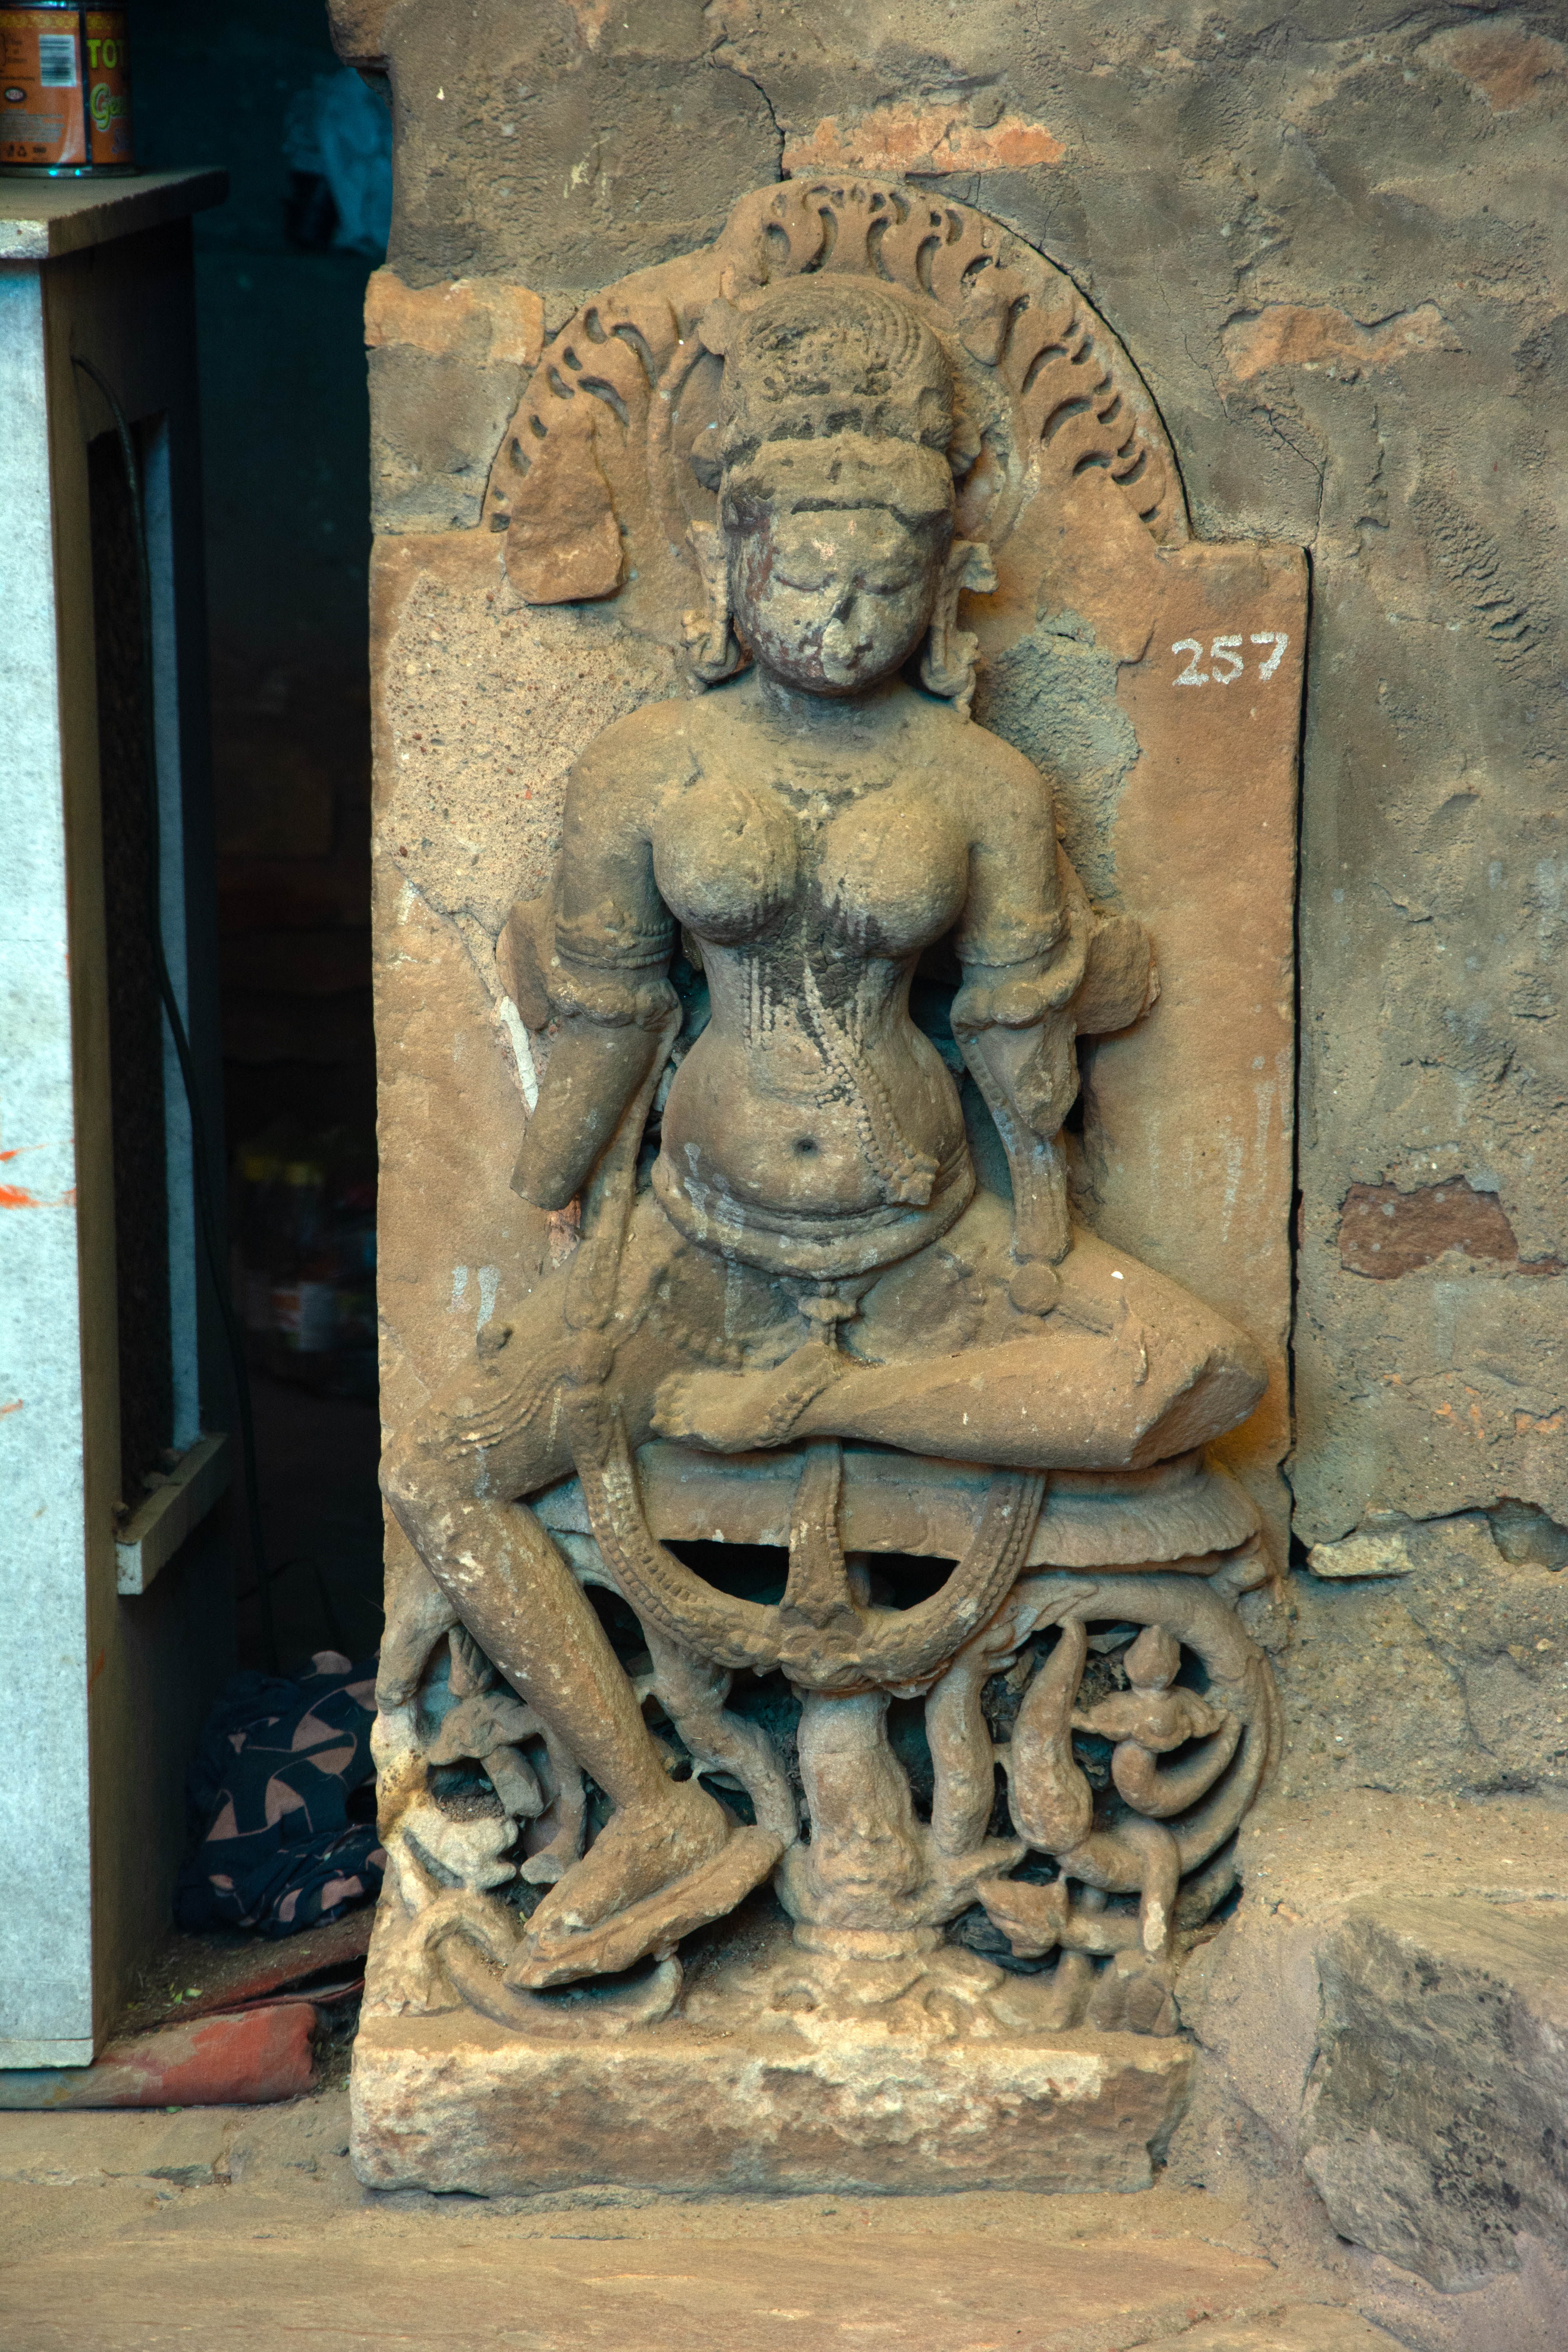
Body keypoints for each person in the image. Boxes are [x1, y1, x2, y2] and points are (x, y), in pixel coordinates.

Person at [381, 277, 1265, 1990]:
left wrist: (1040, 1244)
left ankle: (847, 1404)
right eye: (803, 569)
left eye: (883, 578)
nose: (842, 609)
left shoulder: (985, 783)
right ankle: (652, 1807)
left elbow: (1016, 1031)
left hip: (928, 1238)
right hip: (703, 1251)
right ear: (728, 563)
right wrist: (558, 1193)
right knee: (445, 1466)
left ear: (944, 586)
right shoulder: (644, 766)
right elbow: (614, 1013)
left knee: (1208, 1373)